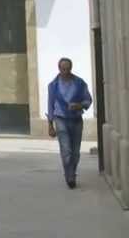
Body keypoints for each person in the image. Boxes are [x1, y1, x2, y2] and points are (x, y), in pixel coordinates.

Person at [47, 57, 93, 189]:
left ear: (71, 68)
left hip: (76, 120)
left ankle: (72, 172)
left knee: (75, 152)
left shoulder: (79, 83)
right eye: (63, 69)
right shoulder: (53, 85)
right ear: (59, 69)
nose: (65, 71)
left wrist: (79, 105)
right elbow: (50, 105)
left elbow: (88, 100)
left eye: (68, 69)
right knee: (66, 150)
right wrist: (50, 125)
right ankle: (70, 175)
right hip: (60, 119)